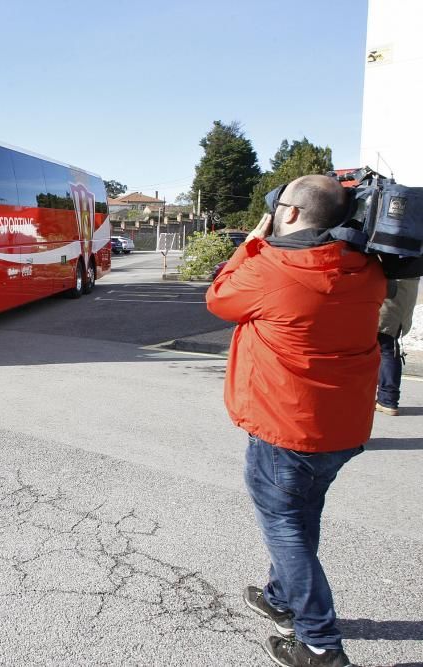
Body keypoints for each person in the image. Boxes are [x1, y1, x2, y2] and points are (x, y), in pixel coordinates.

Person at [206, 175, 386, 667]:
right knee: (303, 514)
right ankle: (280, 597)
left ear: (288, 213)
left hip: (287, 429)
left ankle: (320, 644)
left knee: (285, 526)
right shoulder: (367, 269)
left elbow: (219, 298)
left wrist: (250, 244)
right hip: (341, 429)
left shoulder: (273, 268)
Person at [375, 277, 420, 415]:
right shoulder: (414, 256)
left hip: (392, 295)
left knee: (386, 347)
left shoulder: (395, 257)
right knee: (388, 346)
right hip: (404, 293)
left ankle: (388, 399)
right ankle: (386, 397)